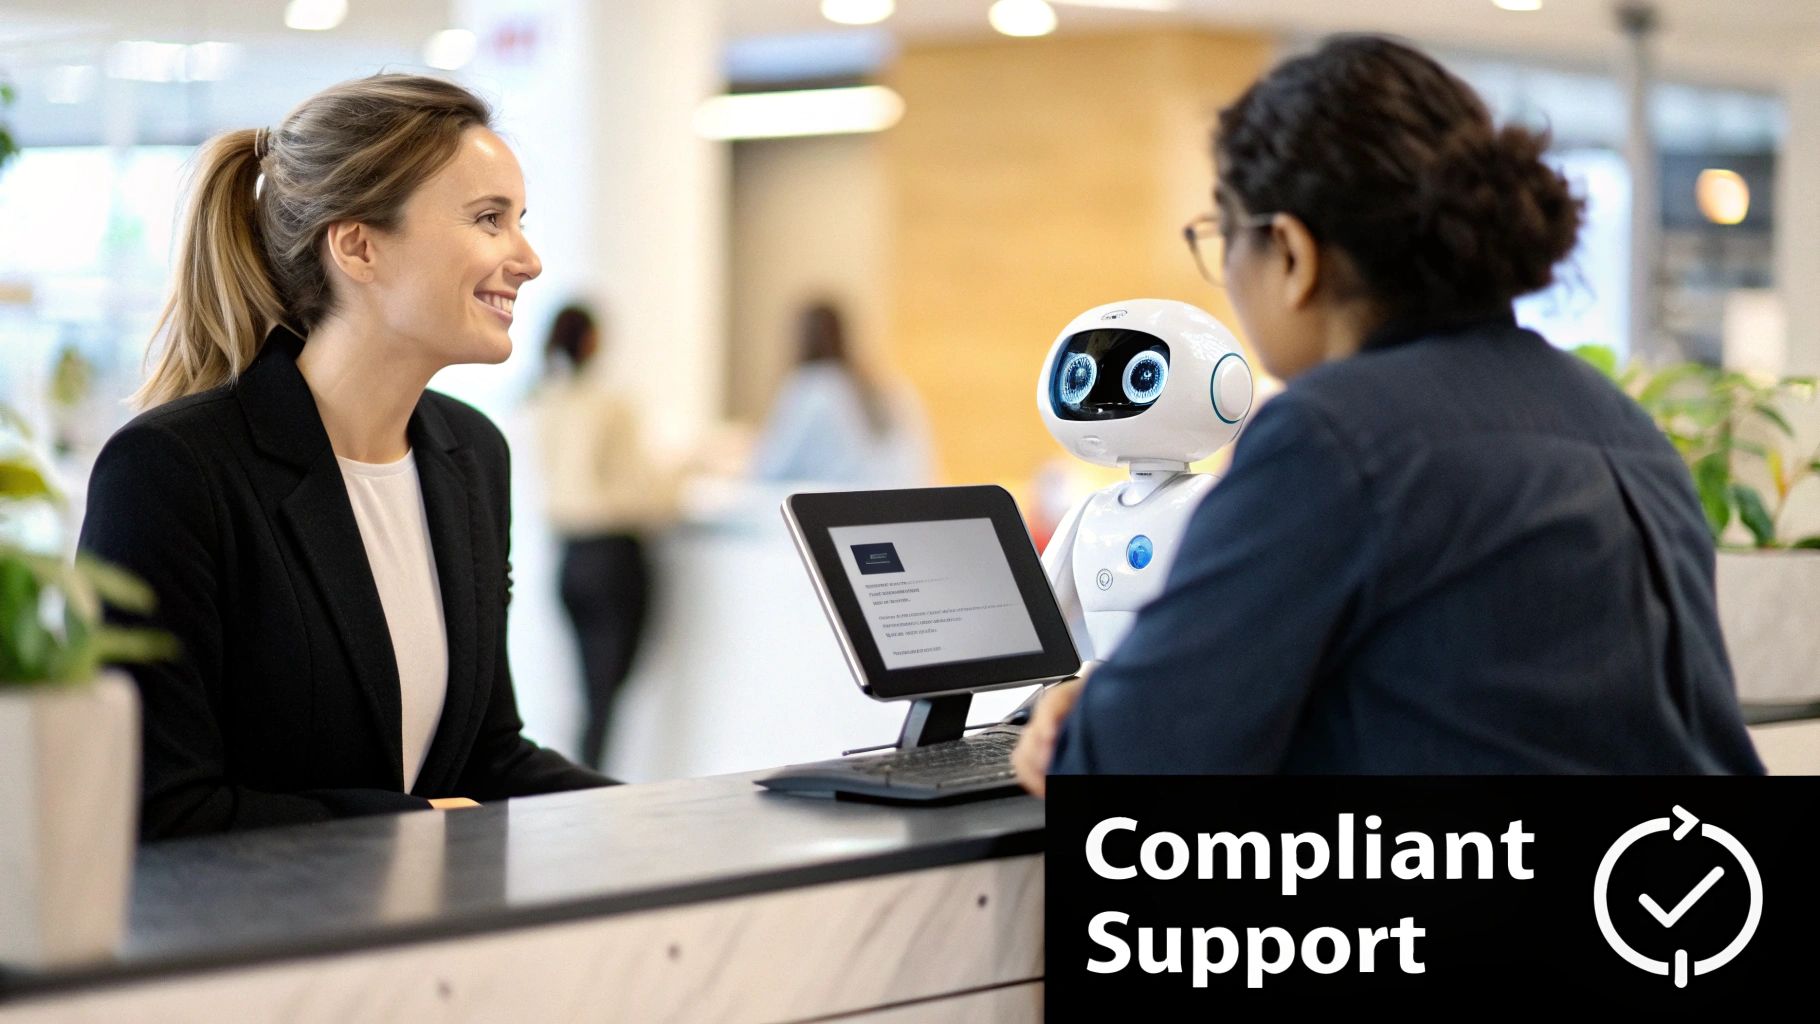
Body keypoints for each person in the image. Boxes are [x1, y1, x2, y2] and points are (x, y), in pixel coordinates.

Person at [1012, 35, 1764, 788]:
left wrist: (1084, 727)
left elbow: (1129, 764)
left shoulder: (1332, 437)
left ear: (1292, 254)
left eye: (1223, 239)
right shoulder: (1615, 420)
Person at [78, 74, 613, 840]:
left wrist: (679, 819)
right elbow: (159, 808)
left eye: (519, 220)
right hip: (245, 950)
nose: (527, 258)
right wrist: (415, 823)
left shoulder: (471, 457)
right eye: (489, 220)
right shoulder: (172, 471)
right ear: (358, 245)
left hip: (432, 947)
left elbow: (489, 758)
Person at [529, 303, 675, 769]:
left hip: (568, 557)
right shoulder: (610, 404)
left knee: (590, 690)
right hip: (613, 556)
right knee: (608, 690)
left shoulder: (540, 400)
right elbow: (644, 490)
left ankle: (582, 776)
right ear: (592, 340)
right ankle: (589, 784)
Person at [750, 301, 931, 486]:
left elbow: (770, 470)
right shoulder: (891, 387)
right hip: (907, 504)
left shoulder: (812, 387)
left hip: (842, 507)